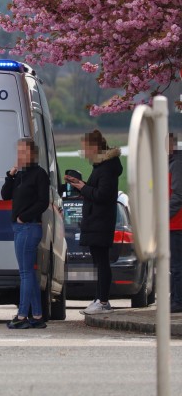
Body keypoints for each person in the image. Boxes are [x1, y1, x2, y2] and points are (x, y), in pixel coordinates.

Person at [65, 129, 123, 315]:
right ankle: (99, 298)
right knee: (99, 262)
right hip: (96, 221)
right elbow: (95, 191)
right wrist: (81, 185)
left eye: (85, 148)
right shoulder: (101, 166)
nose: (83, 153)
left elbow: (102, 195)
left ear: (94, 147)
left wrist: (83, 187)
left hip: (101, 222)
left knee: (102, 262)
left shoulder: (106, 168)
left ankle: (103, 301)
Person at [1, 138, 50, 329]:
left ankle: (22, 315)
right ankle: (37, 315)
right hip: (19, 228)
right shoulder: (20, 175)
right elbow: (6, 195)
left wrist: (24, 216)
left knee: (25, 273)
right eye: (18, 151)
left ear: (32, 154)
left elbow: (42, 202)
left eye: (24, 152)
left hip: (29, 227)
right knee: (29, 272)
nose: (20, 155)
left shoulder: (39, 174)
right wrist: (10, 175)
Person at [169, 133, 182, 313]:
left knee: (176, 265)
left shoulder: (177, 163)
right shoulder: (171, 162)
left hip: (176, 223)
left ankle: (177, 301)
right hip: (173, 223)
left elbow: (178, 195)